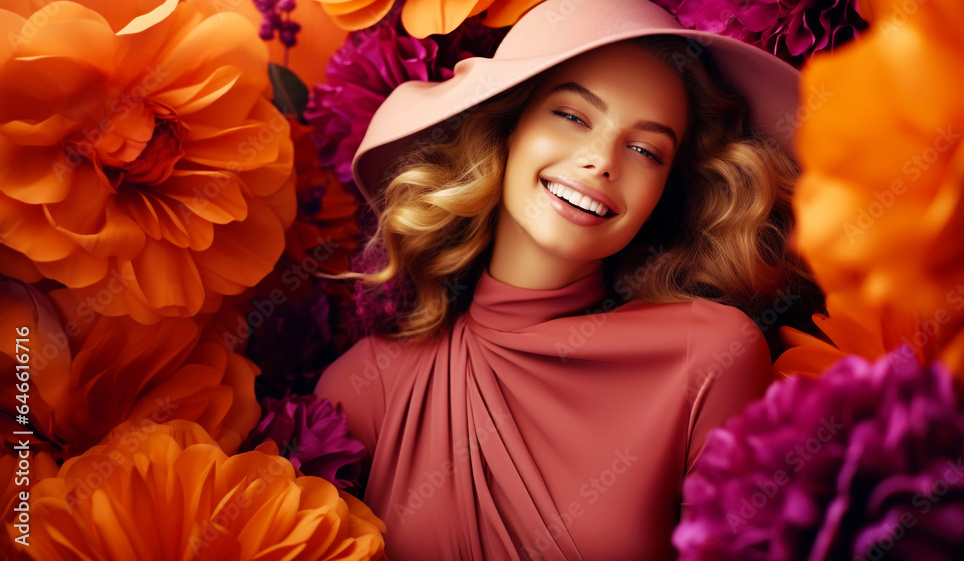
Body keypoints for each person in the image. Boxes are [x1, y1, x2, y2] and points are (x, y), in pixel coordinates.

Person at [315, 0, 818, 558]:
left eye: (646, 150)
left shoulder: (710, 358)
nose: (602, 161)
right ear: (505, 129)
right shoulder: (364, 389)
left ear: (664, 194)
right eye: (573, 117)